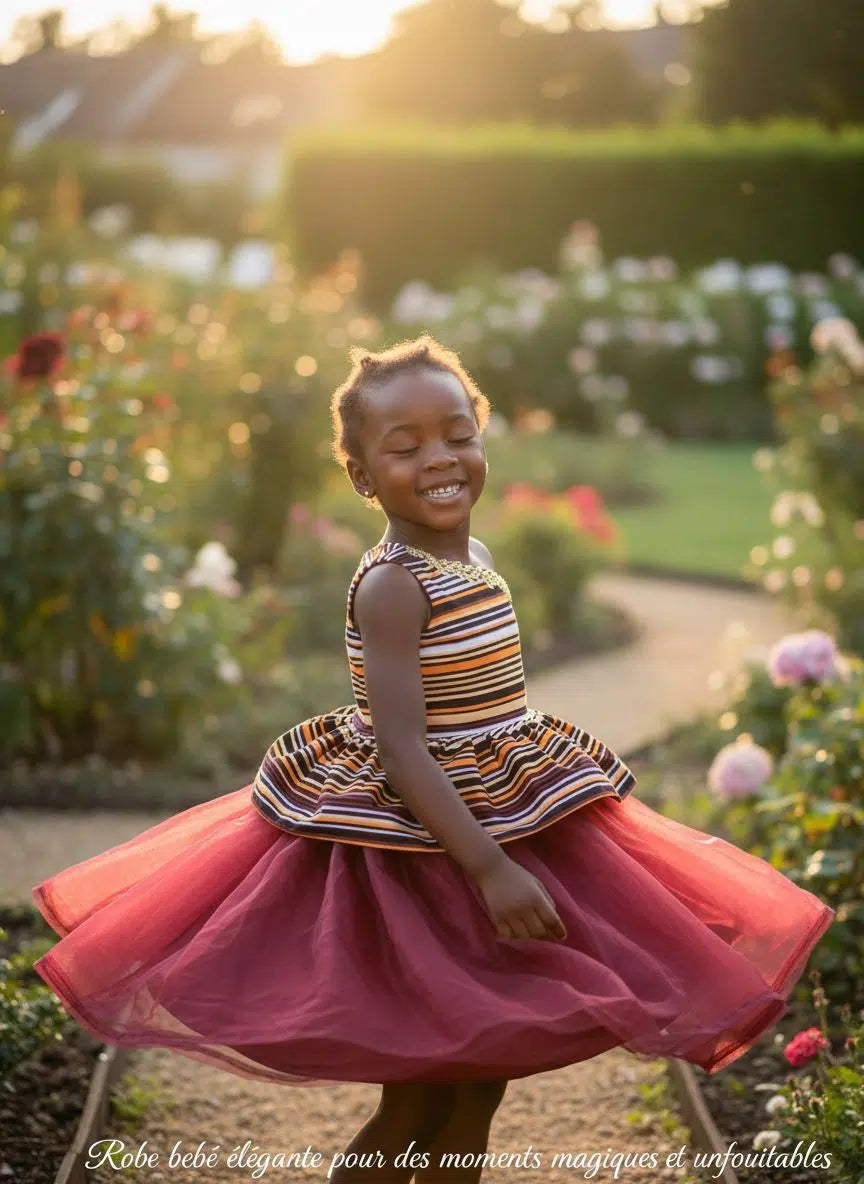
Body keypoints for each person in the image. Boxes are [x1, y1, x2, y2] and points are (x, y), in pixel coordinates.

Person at [32, 334, 835, 1184]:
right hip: (426, 851)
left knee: (478, 1088)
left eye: (458, 434)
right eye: (405, 447)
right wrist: (490, 869)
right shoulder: (393, 585)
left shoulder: (474, 559)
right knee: (416, 1104)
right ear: (362, 476)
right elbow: (401, 744)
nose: (441, 459)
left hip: (502, 811)